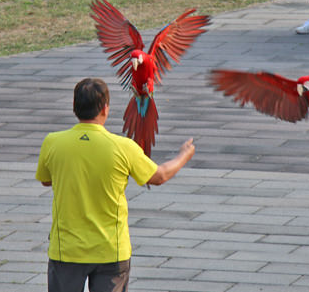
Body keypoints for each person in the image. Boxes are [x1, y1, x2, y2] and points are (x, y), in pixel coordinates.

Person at [35, 78, 195, 292]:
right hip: (111, 250)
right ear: (105, 109)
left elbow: (46, 180)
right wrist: (184, 155)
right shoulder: (123, 147)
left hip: (67, 249)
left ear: (74, 107)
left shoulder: (53, 142)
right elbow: (159, 176)